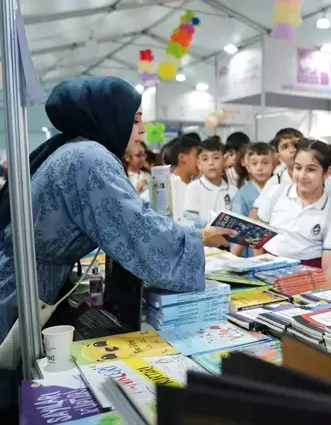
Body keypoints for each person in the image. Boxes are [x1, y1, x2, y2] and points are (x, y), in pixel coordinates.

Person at [0, 77, 236, 407]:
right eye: (135, 119)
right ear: (107, 115)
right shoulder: (89, 158)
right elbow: (139, 232)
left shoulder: (71, 148)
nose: (141, 130)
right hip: (20, 290)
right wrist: (199, 237)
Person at [257, 140, 331, 288]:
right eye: (298, 168)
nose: (302, 175)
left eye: (311, 169)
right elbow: (258, 237)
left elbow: (329, 267)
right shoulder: (275, 193)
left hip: (306, 283)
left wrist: (328, 300)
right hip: (266, 275)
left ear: (327, 173)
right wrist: (257, 274)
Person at [251, 128, 331, 219]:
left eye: (296, 145)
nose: (292, 150)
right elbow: (256, 213)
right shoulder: (275, 183)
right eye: (285, 147)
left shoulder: (328, 181)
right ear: (278, 156)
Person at [184, 136, 237, 228]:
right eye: (205, 159)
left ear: (224, 161)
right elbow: (190, 218)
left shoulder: (233, 191)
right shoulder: (194, 188)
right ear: (199, 164)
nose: (211, 163)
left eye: (216, 158)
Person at [232, 142, 275, 218]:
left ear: (273, 165)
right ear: (248, 167)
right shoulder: (241, 195)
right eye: (254, 163)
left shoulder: (282, 189)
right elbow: (237, 221)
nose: (259, 168)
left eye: (265, 163)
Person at [167, 135, 200, 224]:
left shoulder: (198, 185)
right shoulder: (165, 187)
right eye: (197, 156)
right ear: (182, 158)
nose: (200, 160)